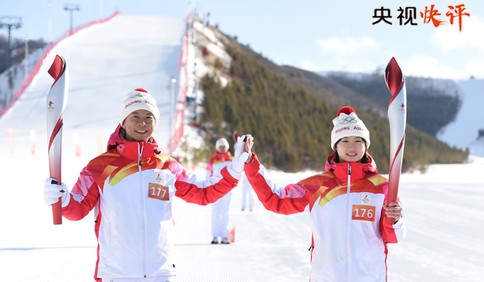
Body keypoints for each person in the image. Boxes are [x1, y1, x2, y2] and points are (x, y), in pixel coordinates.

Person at [43, 88, 250, 282]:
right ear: (123, 121)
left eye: (148, 117)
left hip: (160, 273)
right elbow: (77, 208)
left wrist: (234, 170)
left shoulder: (167, 166)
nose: (142, 123)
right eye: (135, 116)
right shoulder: (100, 166)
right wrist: (62, 199)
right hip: (117, 274)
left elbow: (203, 193)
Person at [242, 106, 407, 282]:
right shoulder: (316, 186)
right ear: (335, 146)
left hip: (370, 277)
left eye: (358, 140)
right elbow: (275, 199)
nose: (352, 147)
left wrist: (395, 221)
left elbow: (394, 236)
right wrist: (251, 163)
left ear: (365, 145)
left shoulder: (383, 188)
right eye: (344, 141)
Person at [206, 137, 233, 244]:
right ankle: (215, 236)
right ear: (217, 147)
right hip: (215, 189)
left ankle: (225, 236)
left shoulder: (231, 159)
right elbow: (208, 174)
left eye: (224, 146)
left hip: (227, 190)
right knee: (215, 212)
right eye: (220, 146)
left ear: (227, 147)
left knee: (226, 212)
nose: (222, 148)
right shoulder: (213, 160)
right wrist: (207, 186)